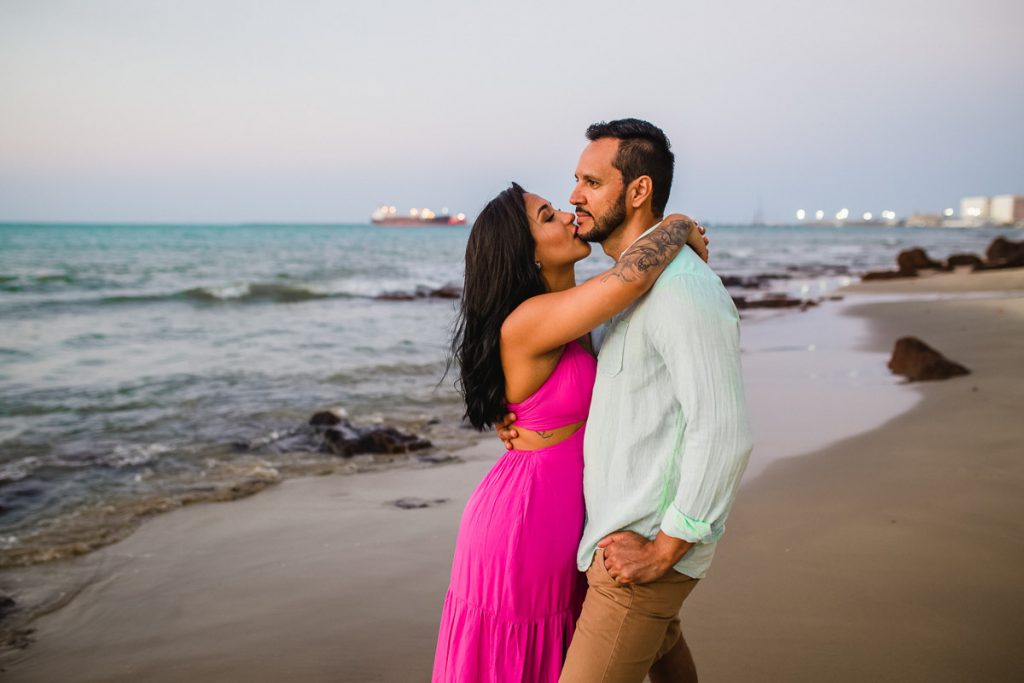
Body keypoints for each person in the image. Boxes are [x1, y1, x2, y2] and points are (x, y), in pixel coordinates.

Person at [499, 118, 754, 683]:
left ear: (637, 192)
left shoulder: (682, 290)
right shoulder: (627, 286)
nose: (573, 197)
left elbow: (723, 431)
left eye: (591, 182)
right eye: (574, 181)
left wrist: (666, 549)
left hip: (640, 551)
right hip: (612, 539)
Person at [431, 179, 708, 682]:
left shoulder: (573, 310)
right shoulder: (531, 319)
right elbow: (631, 277)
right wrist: (679, 224)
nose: (567, 214)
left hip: (569, 509)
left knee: (648, 634)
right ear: (527, 253)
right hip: (526, 524)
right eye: (546, 217)